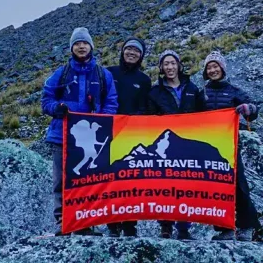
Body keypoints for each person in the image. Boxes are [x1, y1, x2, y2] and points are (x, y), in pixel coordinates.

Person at [41, 27, 118, 236]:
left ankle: (86, 223)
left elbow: (111, 101)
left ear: (91, 46)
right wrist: (56, 109)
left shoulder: (103, 74)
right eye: (77, 43)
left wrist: (102, 119)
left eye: (84, 43)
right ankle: (63, 222)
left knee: (89, 181)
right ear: (71, 48)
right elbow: (46, 98)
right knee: (61, 181)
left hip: (91, 139)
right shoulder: (61, 73)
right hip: (62, 137)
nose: (81, 46)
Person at [146, 49, 205, 240]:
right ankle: (165, 226)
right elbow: (149, 117)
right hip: (166, 145)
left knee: (186, 185)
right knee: (164, 185)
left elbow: (203, 114)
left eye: (173, 63)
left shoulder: (192, 89)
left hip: (186, 144)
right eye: (166, 64)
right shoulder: (155, 92)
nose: (170, 67)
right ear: (161, 68)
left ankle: (184, 228)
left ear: (179, 66)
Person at [201, 50, 260, 241]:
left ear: (222, 68)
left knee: (239, 185)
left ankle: (246, 227)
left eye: (215, 66)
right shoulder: (201, 93)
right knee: (215, 187)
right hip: (208, 147)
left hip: (230, 145)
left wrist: (247, 109)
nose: (212, 70)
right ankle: (224, 229)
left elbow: (253, 109)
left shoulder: (234, 91)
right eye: (209, 67)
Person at [105, 37, 151, 238]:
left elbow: (145, 107)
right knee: (110, 179)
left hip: (133, 135)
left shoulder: (144, 80)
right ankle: (112, 224)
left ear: (141, 56)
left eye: (136, 51)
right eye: (128, 49)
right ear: (122, 51)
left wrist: (134, 120)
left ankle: (130, 225)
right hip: (108, 134)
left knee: (132, 181)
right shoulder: (109, 73)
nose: (132, 53)